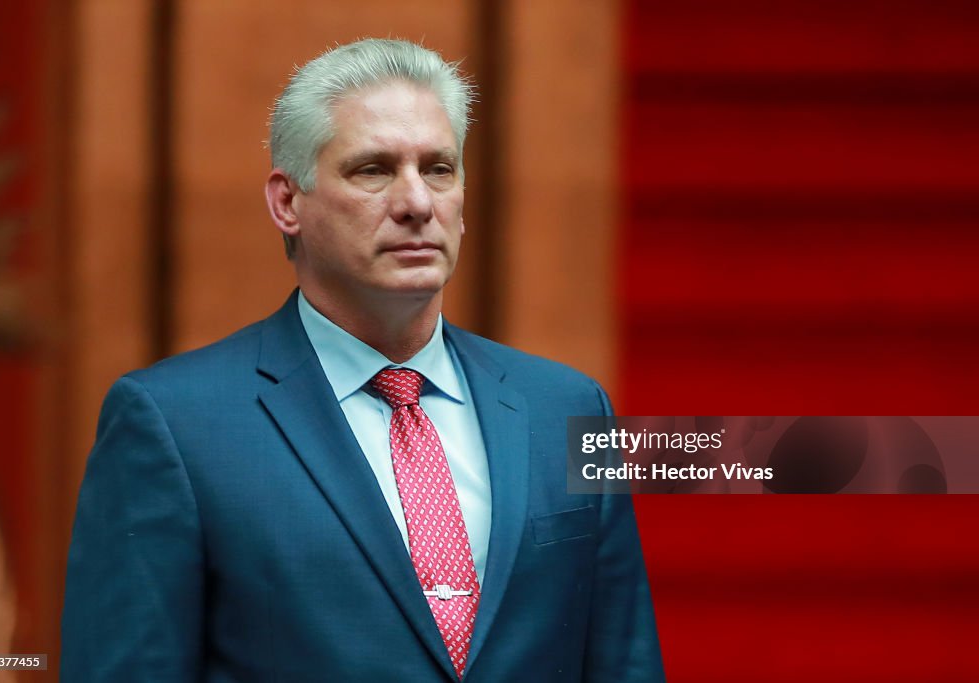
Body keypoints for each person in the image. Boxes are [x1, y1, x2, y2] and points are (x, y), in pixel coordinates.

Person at [61, 38, 664, 682]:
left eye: (439, 168)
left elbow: (622, 661)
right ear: (288, 203)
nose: (416, 203)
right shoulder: (173, 424)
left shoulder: (568, 408)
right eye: (373, 170)